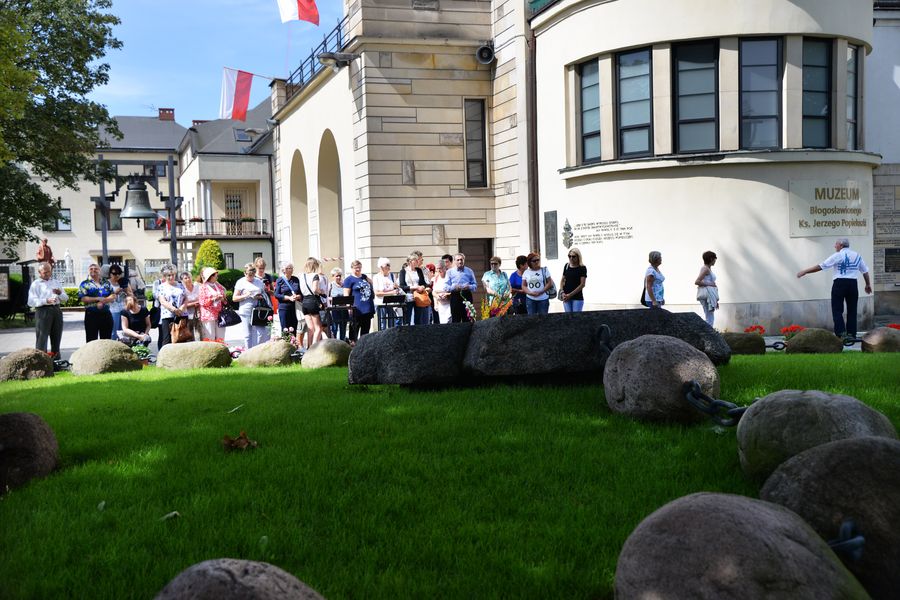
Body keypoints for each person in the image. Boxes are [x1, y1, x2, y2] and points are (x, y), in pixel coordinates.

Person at [797, 238, 872, 338]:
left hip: (839, 283)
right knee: (852, 310)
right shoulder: (857, 255)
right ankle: (851, 334)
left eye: (836, 244)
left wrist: (805, 271)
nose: (834, 246)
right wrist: (867, 284)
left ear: (841, 245)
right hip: (853, 284)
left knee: (837, 310)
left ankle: (841, 334)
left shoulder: (838, 255)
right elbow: (865, 271)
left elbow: (821, 266)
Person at [27, 262, 67, 357]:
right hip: (43, 311)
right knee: (42, 338)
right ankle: (41, 360)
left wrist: (60, 293)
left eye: (49, 271)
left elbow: (65, 298)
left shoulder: (56, 282)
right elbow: (31, 302)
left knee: (56, 336)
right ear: (39, 272)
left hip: (56, 310)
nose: (48, 274)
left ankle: (56, 359)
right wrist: (46, 301)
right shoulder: (36, 284)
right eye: (45, 272)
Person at [234, 262, 271, 349]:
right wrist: (246, 295)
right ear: (244, 273)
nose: (250, 277)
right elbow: (234, 298)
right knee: (247, 335)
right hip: (246, 310)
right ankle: (248, 352)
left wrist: (259, 296)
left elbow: (264, 295)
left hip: (258, 310)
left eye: (252, 275)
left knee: (260, 333)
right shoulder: (240, 282)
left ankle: (257, 351)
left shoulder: (259, 282)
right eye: (248, 275)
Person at [78, 263, 115, 342]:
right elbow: (83, 298)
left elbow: (113, 295)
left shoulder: (106, 282)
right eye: (91, 269)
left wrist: (103, 301)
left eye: (96, 269)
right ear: (88, 271)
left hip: (106, 314)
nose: (93, 270)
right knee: (91, 340)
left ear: (99, 271)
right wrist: (98, 299)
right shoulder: (84, 284)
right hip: (91, 315)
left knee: (106, 341)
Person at [343, 259, 375, 344]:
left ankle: (363, 346)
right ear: (352, 268)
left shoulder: (364, 277)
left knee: (365, 331)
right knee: (354, 330)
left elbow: (371, 283)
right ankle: (353, 346)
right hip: (356, 308)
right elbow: (346, 294)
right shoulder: (349, 280)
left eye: (359, 267)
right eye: (356, 268)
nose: (358, 269)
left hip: (367, 308)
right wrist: (348, 307)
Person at [155, 264, 186, 350]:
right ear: (164, 276)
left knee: (181, 337)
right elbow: (162, 301)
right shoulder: (161, 287)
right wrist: (174, 309)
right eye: (169, 275)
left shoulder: (180, 285)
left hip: (181, 314)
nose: (171, 277)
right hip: (167, 315)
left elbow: (186, 298)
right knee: (167, 339)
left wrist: (182, 308)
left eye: (173, 275)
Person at [297, 257, 325, 348]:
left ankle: (309, 347)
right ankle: (313, 348)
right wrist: (321, 291)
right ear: (315, 265)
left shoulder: (302, 276)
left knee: (310, 328)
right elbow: (315, 289)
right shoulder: (315, 275)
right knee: (318, 328)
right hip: (313, 302)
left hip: (304, 302)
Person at [443, 253, 478, 322]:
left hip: (467, 296)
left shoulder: (469, 271)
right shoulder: (449, 272)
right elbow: (445, 287)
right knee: (456, 320)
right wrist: (454, 287)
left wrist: (469, 286)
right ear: (454, 261)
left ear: (464, 260)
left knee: (467, 319)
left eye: (461, 259)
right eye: (458, 260)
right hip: (455, 296)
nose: (460, 261)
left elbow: (475, 286)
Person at [399, 252, 430, 325]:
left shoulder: (419, 270)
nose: (417, 261)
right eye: (415, 260)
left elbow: (424, 283)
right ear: (410, 261)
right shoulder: (403, 271)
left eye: (417, 260)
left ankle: (417, 332)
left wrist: (422, 287)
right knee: (407, 320)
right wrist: (414, 287)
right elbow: (402, 286)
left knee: (418, 319)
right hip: (408, 297)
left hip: (418, 296)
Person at [198, 267, 228, 341]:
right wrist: (214, 299)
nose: (217, 277)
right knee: (210, 337)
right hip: (208, 316)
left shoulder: (218, 285)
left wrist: (223, 299)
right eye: (215, 275)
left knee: (220, 337)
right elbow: (202, 302)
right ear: (210, 276)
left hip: (219, 315)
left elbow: (224, 298)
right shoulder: (203, 287)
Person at [373, 256, 402, 329]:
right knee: (382, 324)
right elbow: (377, 293)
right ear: (381, 267)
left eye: (389, 266)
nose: (389, 268)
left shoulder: (392, 275)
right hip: (381, 303)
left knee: (392, 324)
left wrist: (396, 289)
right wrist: (391, 292)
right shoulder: (376, 277)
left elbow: (396, 288)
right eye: (387, 266)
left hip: (391, 303)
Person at [274, 262, 301, 334]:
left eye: (292, 268)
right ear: (284, 270)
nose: (291, 270)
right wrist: (289, 298)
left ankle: (293, 341)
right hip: (284, 308)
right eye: (289, 268)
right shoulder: (280, 280)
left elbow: (300, 293)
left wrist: (297, 296)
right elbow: (276, 294)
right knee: (285, 329)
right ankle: (286, 341)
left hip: (294, 307)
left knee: (293, 328)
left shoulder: (296, 279)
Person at [107, 265, 133, 341]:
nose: (117, 275)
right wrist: (115, 292)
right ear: (110, 274)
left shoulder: (124, 281)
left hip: (124, 309)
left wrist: (126, 291)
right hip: (112, 310)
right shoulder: (107, 283)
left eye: (119, 273)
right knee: (113, 331)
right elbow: (105, 298)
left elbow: (132, 295)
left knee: (123, 331)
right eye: (114, 274)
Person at [695, 251, 719, 327]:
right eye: (715, 259)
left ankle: (709, 331)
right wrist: (710, 284)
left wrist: (715, 299)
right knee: (709, 317)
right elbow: (697, 281)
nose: (715, 261)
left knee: (710, 316)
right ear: (711, 259)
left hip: (710, 295)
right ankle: (708, 332)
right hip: (706, 295)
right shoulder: (705, 268)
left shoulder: (708, 268)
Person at [559, 248, 587, 312]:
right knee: (568, 317)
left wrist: (570, 295)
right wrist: (562, 292)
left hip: (577, 297)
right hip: (566, 297)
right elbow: (562, 280)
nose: (571, 258)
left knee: (576, 317)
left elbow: (582, 284)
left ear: (578, 257)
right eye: (569, 256)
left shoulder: (582, 268)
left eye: (573, 256)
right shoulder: (566, 266)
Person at [328, 267, 349, 340]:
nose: (338, 277)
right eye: (337, 276)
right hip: (335, 309)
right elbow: (327, 297)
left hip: (344, 309)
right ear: (333, 276)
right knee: (334, 327)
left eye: (340, 275)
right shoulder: (330, 285)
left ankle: (342, 341)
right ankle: (334, 342)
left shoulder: (344, 285)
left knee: (343, 327)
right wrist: (334, 299)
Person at [180, 271, 201, 340]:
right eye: (186, 278)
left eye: (189, 277)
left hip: (198, 313)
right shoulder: (182, 290)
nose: (188, 279)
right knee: (189, 334)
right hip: (187, 315)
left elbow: (202, 298)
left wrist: (195, 302)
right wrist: (194, 303)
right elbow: (182, 304)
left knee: (200, 333)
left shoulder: (197, 286)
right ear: (182, 280)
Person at [432, 260, 452, 324]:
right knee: (443, 323)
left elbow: (454, 291)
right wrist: (437, 297)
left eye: (440, 268)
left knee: (448, 321)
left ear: (444, 267)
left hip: (449, 304)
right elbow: (433, 292)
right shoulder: (436, 278)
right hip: (440, 305)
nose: (438, 270)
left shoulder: (449, 277)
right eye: (437, 268)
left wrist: (447, 294)